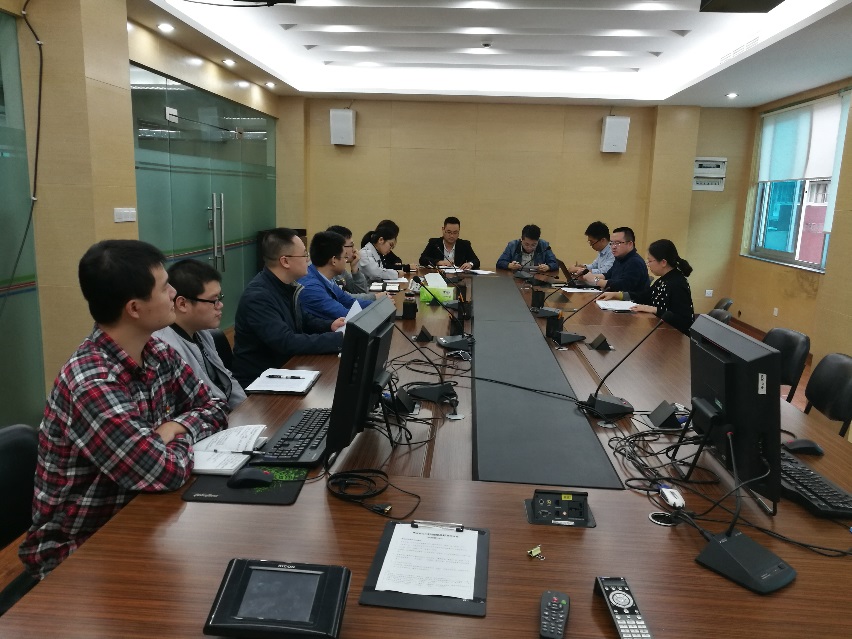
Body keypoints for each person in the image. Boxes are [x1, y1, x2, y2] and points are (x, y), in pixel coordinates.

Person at [19, 240, 228, 580]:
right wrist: (171, 441)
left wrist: (176, 427)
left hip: (144, 516)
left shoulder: (157, 351)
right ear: (134, 308)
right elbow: (163, 472)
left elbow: (215, 405)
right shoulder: (92, 383)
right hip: (81, 549)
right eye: (164, 287)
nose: (174, 293)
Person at [231, 228, 345, 386]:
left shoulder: (286, 285)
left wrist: (330, 325)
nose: (308, 260)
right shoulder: (258, 297)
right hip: (259, 382)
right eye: (304, 255)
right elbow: (286, 342)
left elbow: (303, 319)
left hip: (285, 370)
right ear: (285, 261)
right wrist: (339, 339)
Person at [153, 259, 247, 411]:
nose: (220, 305)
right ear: (182, 304)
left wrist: (247, 410)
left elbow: (226, 378)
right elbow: (201, 402)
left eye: (220, 298)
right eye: (213, 300)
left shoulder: (202, 332)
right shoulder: (165, 347)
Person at [598, 239, 695, 334]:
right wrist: (617, 295)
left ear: (663, 262)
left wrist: (654, 309)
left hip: (675, 336)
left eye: (650, 261)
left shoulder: (677, 283)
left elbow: (684, 321)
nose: (648, 265)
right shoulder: (664, 279)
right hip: (660, 331)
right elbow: (644, 296)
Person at [298, 231, 378, 322]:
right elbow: (346, 316)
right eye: (345, 257)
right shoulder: (312, 288)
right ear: (334, 260)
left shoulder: (326, 278)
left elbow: (349, 301)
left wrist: (378, 305)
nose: (346, 261)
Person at [582, 226, 650, 292]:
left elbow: (623, 286)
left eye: (618, 243)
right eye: (611, 243)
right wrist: (586, 277)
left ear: (630, 244)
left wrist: (596, 280)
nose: (613, 247)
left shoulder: (635, 262)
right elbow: (607, 275)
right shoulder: (619, 258)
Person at [326, 224, 376, 302]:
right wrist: (374, 297)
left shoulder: (340, 269)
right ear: (339, 247)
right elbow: (344, 298)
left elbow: (360, 292)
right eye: (351, 245)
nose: (354, 250)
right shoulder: (327, 269)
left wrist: (355, 268)